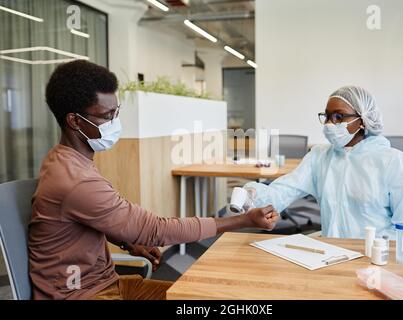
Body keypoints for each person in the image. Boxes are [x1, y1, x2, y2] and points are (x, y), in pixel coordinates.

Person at [28, 60, 279, 300]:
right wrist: (241, 220)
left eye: (116, 112)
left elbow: (88, 221)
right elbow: (156, 229)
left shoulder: (64, 160)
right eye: (106, 115)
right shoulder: (75, 180)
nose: (114, 122)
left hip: (107, 283)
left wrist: (127, 243)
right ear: (74, 121)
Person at [244, 86, 403, 242]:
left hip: (376, 259)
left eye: (339, 117)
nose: (330, 124)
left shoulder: (394, 162)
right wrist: (252, 195)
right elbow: (284, 191)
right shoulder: (319, 156)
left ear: (362, 121)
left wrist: (373, 251)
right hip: (331, 251)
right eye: (327, 116)